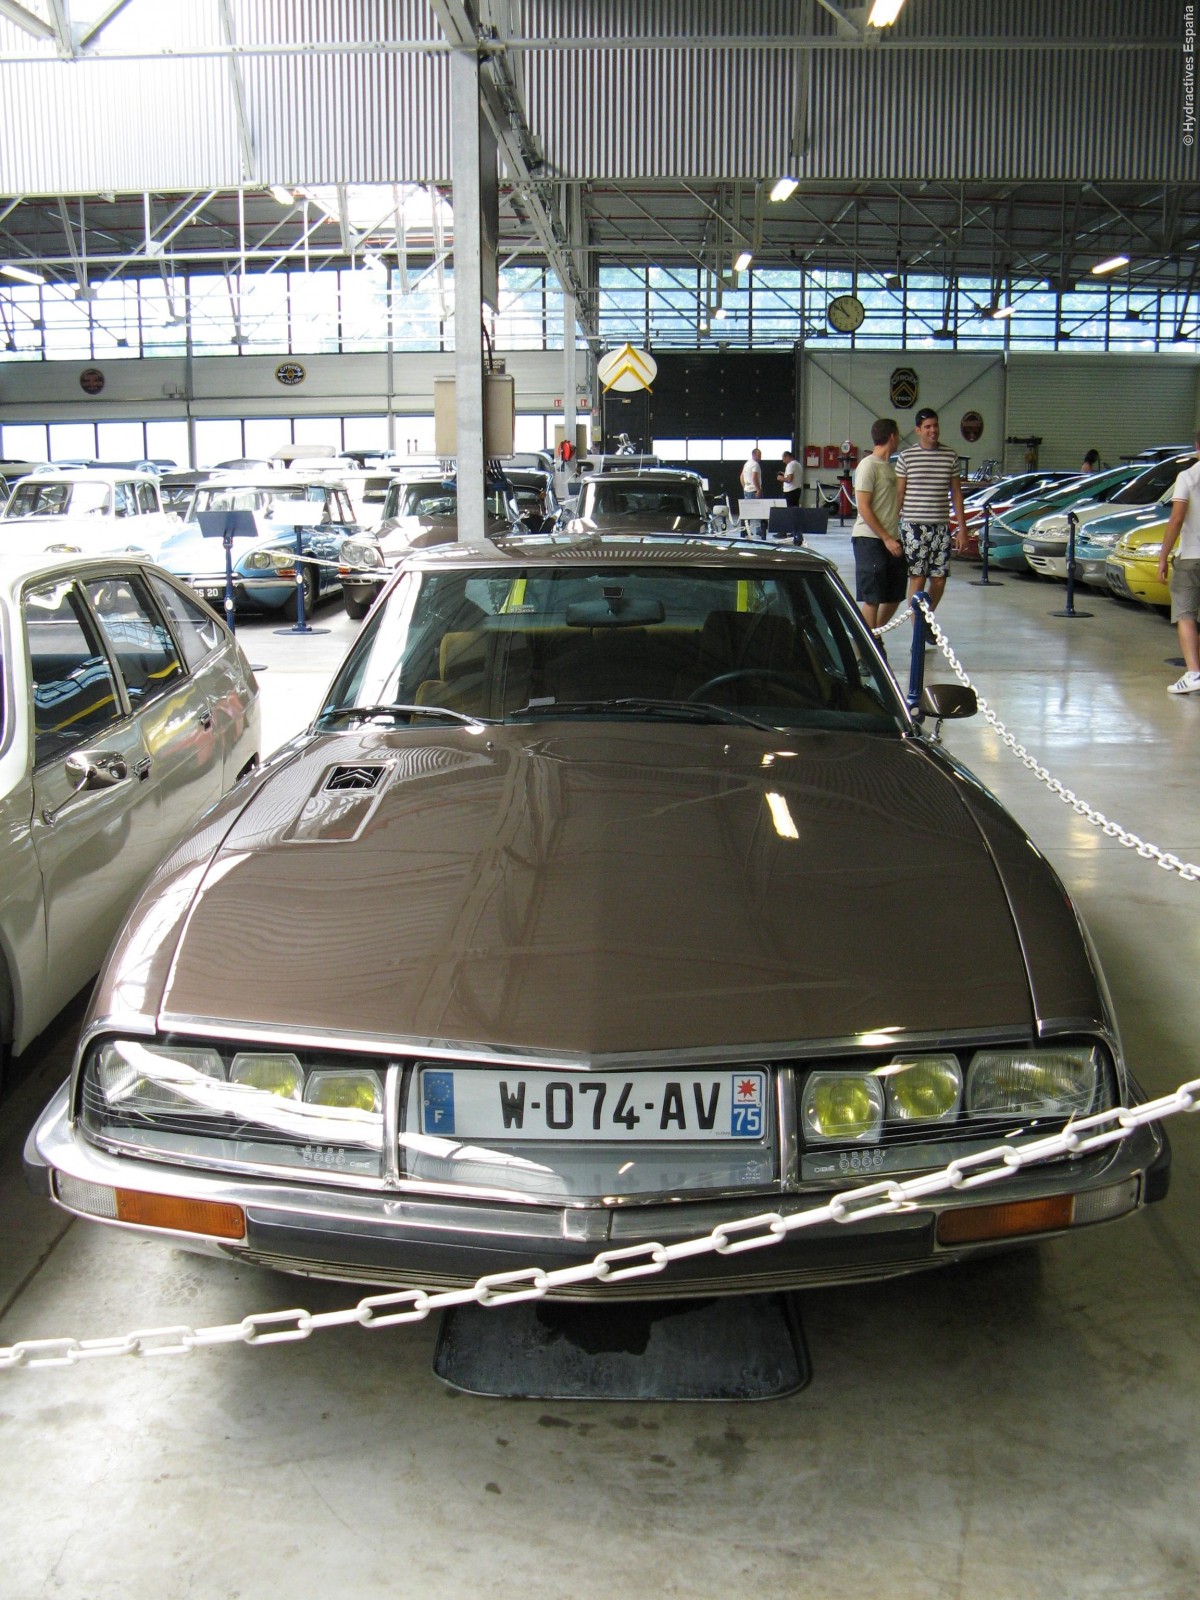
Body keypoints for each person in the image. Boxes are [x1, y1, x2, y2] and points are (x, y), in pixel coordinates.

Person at [895, 408, 968, 621]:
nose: (933, 430)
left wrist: (962, 528)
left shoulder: (950, 456)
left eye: (935, 425)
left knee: (939, 580)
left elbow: (956, 493)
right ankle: (917, 628)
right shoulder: (907, 457)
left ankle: (925, 620)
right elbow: (899, 493)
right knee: (917, 579)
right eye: (927, 427)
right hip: (914, 526)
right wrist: (891, 526)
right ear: (918, 430)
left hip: (940, 527)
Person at [852, 419, 906, 636]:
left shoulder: (888, 468)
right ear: (892, 436)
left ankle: (873, 635)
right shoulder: (867, 466)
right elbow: (863, 507)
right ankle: (867, 650)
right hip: (869, 539)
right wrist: (886, 538)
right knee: (872, 598)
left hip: (891, 538)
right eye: (898, 435)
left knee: (895, 595)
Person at [1158, 428, 1200, 695]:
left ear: (1197, 446)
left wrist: (1163, 555)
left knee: (1185, 614)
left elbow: (1176, 519)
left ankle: (1194, 673)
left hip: (1193, 557)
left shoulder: (1188, 476)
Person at [740, 447, 764, 536]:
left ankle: (744, 530)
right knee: (759, 510)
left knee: (747, 511)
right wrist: (758, 489)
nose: (761, 457)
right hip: (754, 490)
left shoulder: (747, 464)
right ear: (754, 455)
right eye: (759, 455)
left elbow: (741, 477)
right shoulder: (755, 465)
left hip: (747, 490)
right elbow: (754, 477)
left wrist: (745, 487)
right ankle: (759, 530)